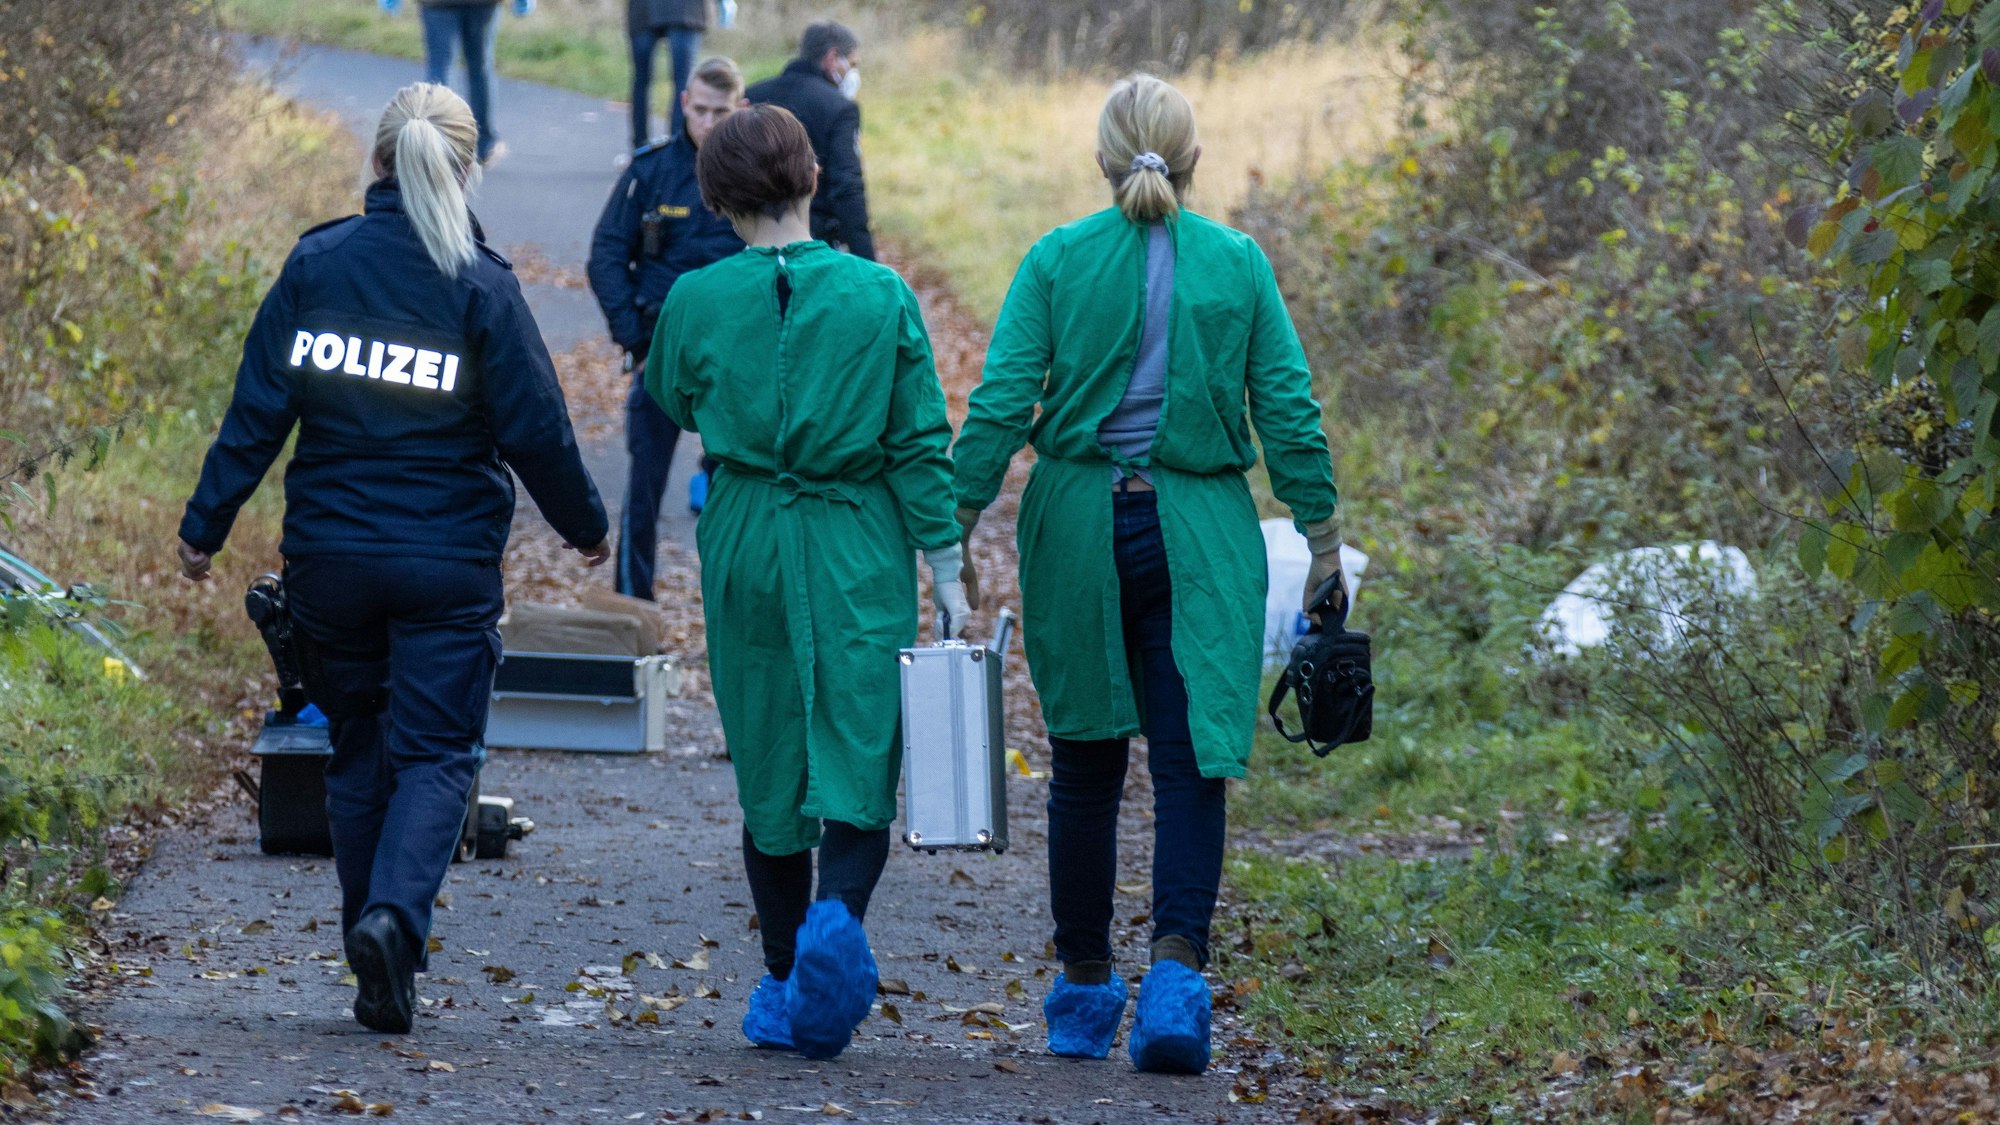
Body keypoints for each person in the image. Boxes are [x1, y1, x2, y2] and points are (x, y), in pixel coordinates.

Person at [176, 83, 609, 1036]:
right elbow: (537, 428)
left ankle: (372, 957)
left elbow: (257, 412)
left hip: (330, 559)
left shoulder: (316, 266)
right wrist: (586, 527)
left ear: (377, 161)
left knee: (357, 748)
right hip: (445, 564)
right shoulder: (479, 283)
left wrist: (204, 527)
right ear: (465, 169)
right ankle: (393, 922)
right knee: (439, 752)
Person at [950, 75, 1342, 1074]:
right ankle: (1174, 986)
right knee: (1187, 763)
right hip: (1201, 532)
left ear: (1100, 159)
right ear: (1192, 158)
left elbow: (998, 407)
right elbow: (1288, 415)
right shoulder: (1238, 265)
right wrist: (1322, 538)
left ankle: (1084, 992)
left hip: (1079, 527)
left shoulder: (1054, 260)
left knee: (1082, 763)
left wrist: (948, 523)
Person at [644, 105, 966, 1059]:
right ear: (813, 179)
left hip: (746, 533)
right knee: (862, 742)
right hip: (856, 534)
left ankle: (786, 977)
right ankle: (838, 923)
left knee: (769, 752)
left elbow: (670, 393)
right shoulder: (880, 295)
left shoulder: (696, 299)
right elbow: (916, 442)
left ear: (716, 198)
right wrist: (946, 566)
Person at [587, 55, 747, 601]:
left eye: (720, 112)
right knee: (644, 487)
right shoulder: (651, 171)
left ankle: (738, 604)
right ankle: (633, 605)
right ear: (683, 104)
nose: (708, 122)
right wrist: (632, 336)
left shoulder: (755, 178)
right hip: (660, 351)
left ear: (740, 109)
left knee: (742, 487)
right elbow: (606, 254)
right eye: (699, 110)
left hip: (735, 359)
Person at [743, 21, 874, 260]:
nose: (852, 73)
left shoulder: (751, 96)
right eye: (851, 64)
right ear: (833, 57)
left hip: (751, 239)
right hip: (813, 241)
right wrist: (867, 260)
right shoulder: (839, 108)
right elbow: (846, 186)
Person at [380, 0, 537, 165]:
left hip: (437, 5)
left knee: (440, 67)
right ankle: (484, 145)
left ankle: (436, 141)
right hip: (483, 4)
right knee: (480, 67)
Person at [628, 0, 707, 148]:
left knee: (641, 80)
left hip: (643, 9)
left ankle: (639, 151)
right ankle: (678, 149)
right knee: (683, 82)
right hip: (685, 10)